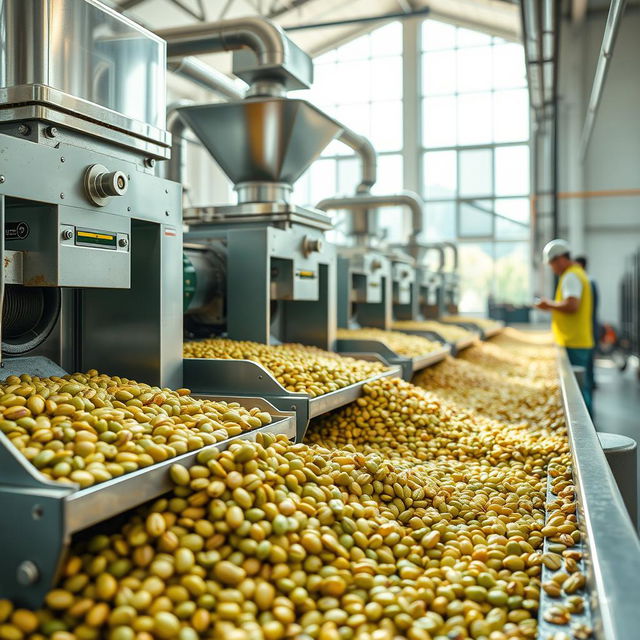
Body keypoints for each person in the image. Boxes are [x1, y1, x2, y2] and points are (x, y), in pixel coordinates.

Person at [535, 239, 594, 414]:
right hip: (578, 339)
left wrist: (549, 305)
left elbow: (572, 305)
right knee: (583, 387)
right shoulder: (578, 273)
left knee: (579, 392)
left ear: (560, 259)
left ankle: (587, 433)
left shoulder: (570, 276)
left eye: (552, 264)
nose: (553, 269)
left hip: (573, 341)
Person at [575, 255, 599, 391]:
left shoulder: (587, 282)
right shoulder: (588, 282)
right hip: (588, 328)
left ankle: (589, 404)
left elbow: (589, 310)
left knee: (587, 369)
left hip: (587, 330)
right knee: (588, 368)